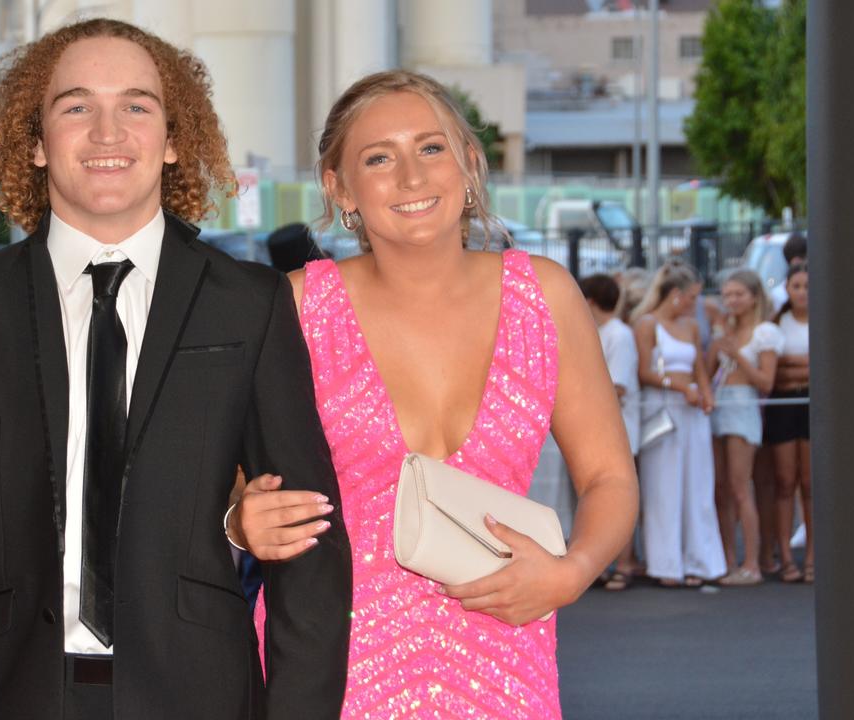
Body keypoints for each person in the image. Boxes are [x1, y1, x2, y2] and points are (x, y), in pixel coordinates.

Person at [0, 19, 351, 720]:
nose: (108, 132)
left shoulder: (248, 306)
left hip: (201, 698)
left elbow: (308, 541)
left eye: (136, 105)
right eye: (76, 107)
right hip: (11, 695)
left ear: (172, 141)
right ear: (37, 143)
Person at [233, 71, 638, 718]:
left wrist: (572, 572)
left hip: (507, 653)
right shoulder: (295, 309)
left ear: (470, 164)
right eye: (378, 157)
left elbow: (611, 477)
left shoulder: (546, 297)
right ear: (340, 188)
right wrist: (240, 519)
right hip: (327, 664)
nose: (411, 177)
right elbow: (215, 474)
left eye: (431, 148)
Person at [631, 262, 727, 588]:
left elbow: (699, 365)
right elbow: (644, 371)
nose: (694, 303)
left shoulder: (691, 326)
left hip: (692, 410)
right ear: (675, 295)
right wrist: (678, 386)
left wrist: (705, 393)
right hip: (663, 411)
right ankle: (666, 562)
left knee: (698, 485)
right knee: (663, 488)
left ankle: (699, 560)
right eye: (691, 297)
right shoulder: (646, 324)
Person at [706, 269, 781, 586]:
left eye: (738, 294)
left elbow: (766, 381)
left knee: (740, 487)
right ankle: (727, 560)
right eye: (727, 294)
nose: (732, 300)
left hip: (743, 405)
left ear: (753, 296)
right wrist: (717, 344)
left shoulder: (765, 331)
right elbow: (709, 371)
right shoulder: (726, 329)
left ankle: (752, 563)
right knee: (720, 490)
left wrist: (737, 354)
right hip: (719, 402)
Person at [579, 274, 642, 591]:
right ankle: (605, 564)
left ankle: (625, 562)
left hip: (619, 427)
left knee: (619, 492)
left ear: (589, 301)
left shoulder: (620, 334)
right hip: (594, 426)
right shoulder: (598, 332)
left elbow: (619, 386)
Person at [765, 261, 812, 582]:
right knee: (784, 482)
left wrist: (792, 367)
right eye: (796, 286)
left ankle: (812, 555)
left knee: (810, 484)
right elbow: (775, 372)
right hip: (782, 405)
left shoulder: (826, 320)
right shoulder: (777, 322)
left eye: (808, 287)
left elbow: (827, 365)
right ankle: (784, 556)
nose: (803, 293)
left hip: (811, 405)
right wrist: (803, 366)